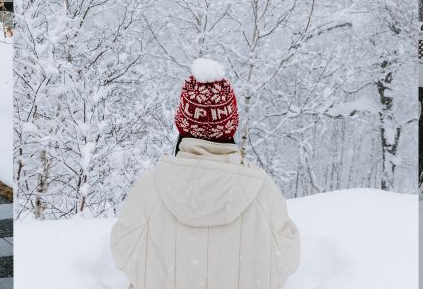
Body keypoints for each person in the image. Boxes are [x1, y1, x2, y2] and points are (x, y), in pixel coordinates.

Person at [110, 58, 300, 289]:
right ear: (230, 125)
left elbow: (122, 252)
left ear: (183, 124)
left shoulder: (152, 186)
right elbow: (287, 259)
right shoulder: (262, 190)